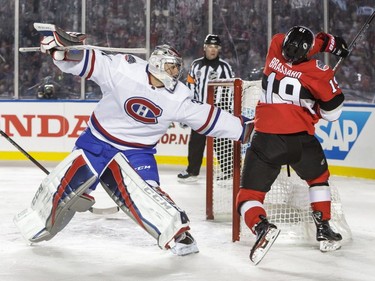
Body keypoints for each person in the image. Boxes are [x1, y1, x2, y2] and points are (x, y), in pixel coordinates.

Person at [14, 25, 252, 257]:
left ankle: (177, 234)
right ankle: (37, 221)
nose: (174, 73)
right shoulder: (124, 69)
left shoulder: (179, 97)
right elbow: (86, 63)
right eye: (170, 68)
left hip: (137, 152)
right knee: (64, 184)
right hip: (98, 141)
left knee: (149, 193)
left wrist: (243, 128)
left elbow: (208, 117)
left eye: (176, 69)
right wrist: (62, 51)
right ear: (157, 64)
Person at [235, 26, 349, 264]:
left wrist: (327, 43)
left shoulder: (276, 45)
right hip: (300, 140)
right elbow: (333, 113)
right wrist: (331, 45)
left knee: (247, 196)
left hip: (266, 138)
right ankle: (324, 228)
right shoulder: (320, 72)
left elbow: (308, 44)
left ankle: (261, 226)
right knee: (318, 180)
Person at [177, 34, 235, 182]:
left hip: (218, 111)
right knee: (196, 141)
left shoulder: (225, 67)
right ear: (204, 48)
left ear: (219, 49)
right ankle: (192, 171)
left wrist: (228, 111)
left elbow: (230, 90)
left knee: (221, 142)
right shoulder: (196, 65)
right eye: (210, 46)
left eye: (216, 47)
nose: (213, 50)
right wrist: (188, 109)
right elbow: (190, 87)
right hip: (199, 110)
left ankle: (228, 173)